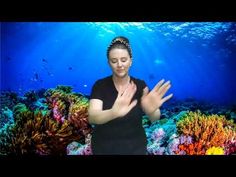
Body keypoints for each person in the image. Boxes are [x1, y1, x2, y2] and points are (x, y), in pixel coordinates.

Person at [88, 36, 173, 155]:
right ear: (108, 63)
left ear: (130, 61)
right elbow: (92, 117)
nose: (119, 64)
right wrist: (113, 112)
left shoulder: (141, 85)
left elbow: (154, 119)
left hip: (136, 148)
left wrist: (151, 111)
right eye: (114, 61)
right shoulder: (100, 85)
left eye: (124, 60)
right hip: (103, 148)